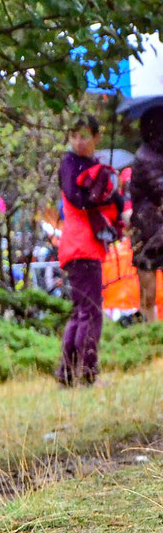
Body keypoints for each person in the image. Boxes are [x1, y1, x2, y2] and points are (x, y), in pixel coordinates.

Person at [57, 114, 127, 385]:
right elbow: (78, 199)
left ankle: (67, 373)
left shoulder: (92, 165)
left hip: (85, 246)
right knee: (91, 312)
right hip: (80, 246)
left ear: (97, 137)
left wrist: (110, 189)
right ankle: (86, 372)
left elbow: (116, 200)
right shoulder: (69, 163)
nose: (78, 141)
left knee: (81, 311)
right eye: (73, 135)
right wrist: (100, 190)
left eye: (84, 135)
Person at [128, 108, 163, 324]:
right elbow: (159, 187)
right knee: (148, 293)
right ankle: (151, 332)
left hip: (155, 229)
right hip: (149, 231)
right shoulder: (146, 156)